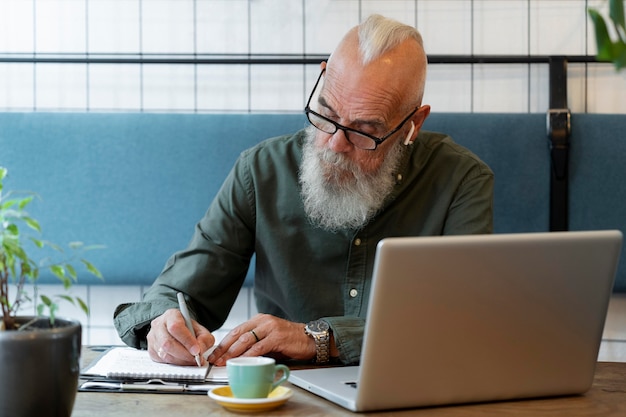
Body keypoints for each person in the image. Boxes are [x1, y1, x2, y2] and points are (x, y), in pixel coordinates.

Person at [114, 14, 494, 367]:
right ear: (323, 77)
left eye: (364, 131)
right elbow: (181, 291)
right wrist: (164, 324)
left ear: (413, 124)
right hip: (284, 393)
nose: (333, 144)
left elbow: (464, 319)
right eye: (326, 113)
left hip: (412, 388)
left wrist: (318, 338)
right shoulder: (260, 171)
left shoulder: (462, 181)